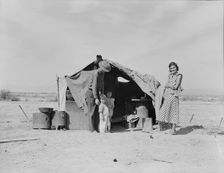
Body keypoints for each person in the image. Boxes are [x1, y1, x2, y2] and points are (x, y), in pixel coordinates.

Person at [156, 62, 183, 135]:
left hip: (174, 95)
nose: (172, 69)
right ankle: (171, 129)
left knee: (174, 112)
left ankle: (173, 129)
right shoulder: (170, 75)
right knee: (166, 111)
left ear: (177, 68)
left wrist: (168, 85)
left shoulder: (179, 75)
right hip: (168, 95)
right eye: (171, 68)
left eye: (174, 67)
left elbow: (176, 86)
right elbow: (166, 86)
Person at [85, 58, 111, 131]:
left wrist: (102, 93)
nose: (105, 71)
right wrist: (96, 98)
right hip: (91, 93)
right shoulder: (96, 73)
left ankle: (96, 128)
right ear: (101, 68)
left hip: (97, 93)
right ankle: (92, 130)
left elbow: (101, 84)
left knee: (97, 112)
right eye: (104, 70)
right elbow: (94, 86)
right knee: (92, 112)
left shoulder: (102, 74)